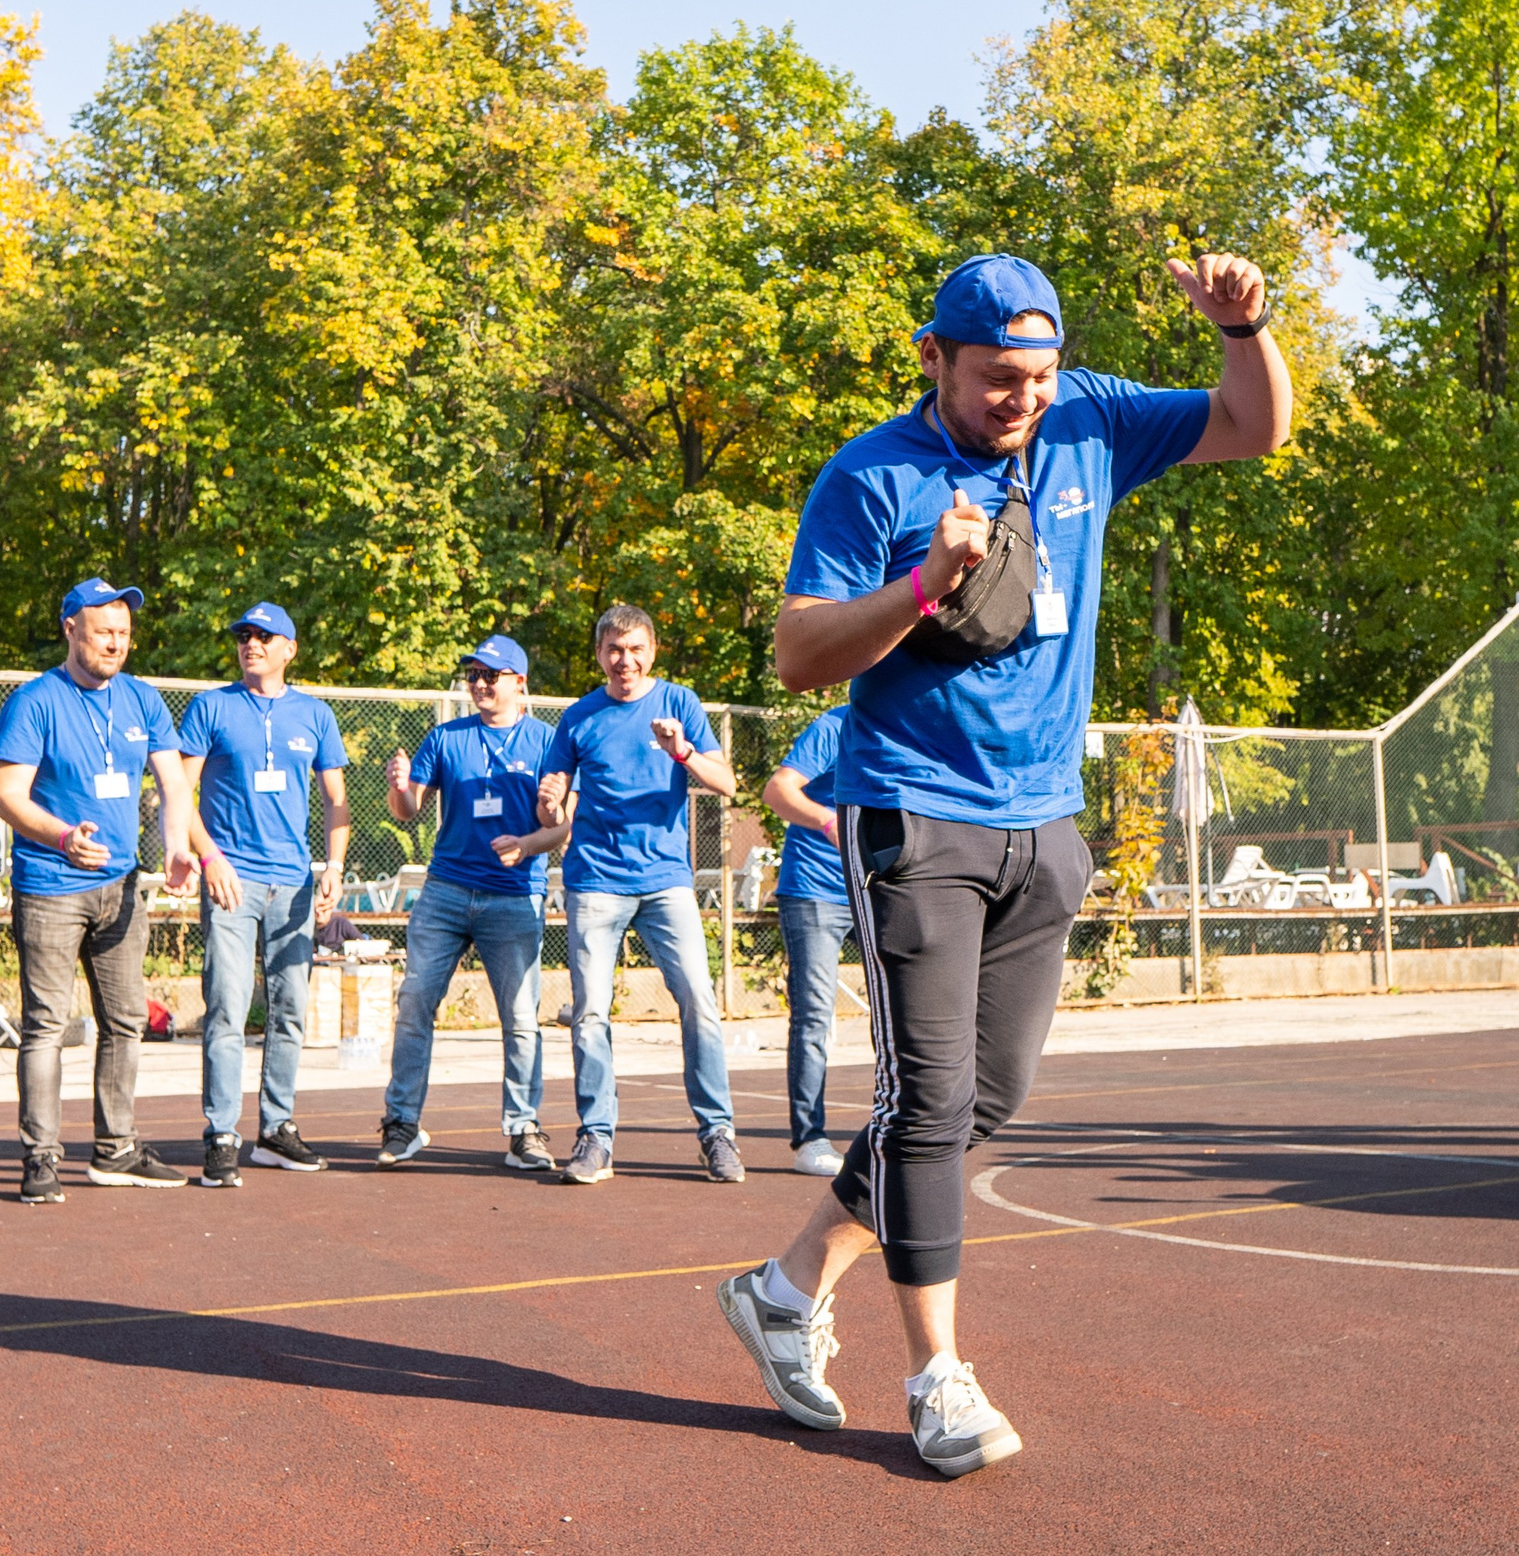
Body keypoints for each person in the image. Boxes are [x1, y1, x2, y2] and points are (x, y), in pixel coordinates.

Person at [716, 249, 1292, 1478]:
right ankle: (937, 1381)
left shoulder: (1088, 420)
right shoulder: (870, 475)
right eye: (993, 378)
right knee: (926, 1106)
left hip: (1045, 824)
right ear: (934, 358)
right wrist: (925, 583)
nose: (1018, 398)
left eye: (1035, 375)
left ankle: (782, 1287)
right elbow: (799, 656)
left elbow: (1254, 428)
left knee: (987, 1100)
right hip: (913, 819)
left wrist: (1246, 327)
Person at [0, 577, 199, 1203]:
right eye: (104, 630)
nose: (116, 642)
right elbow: (7, 795)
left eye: (124, 633)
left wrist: (179, 847)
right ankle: (41, 1157)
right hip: (52, 884)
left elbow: (172, 784)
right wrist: (60, 837)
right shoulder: (34, 701)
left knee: (126, 1021)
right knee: (47, 1025)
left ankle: (116, 1150)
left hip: (123, 886)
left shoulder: (142, 700)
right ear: (70, 630)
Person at [535, 604, 741, 1186]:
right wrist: (550, 804)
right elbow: (551, 809)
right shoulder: (578, 718)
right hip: (595, 881)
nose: (625, 661)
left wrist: (683, 752)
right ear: (599, 655)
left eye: (635, 649)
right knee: (590, 1014)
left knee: (699, 1002)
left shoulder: (680, 704)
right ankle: (596, 1139)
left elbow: (726, 784)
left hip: (667, 881)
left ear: (653, 651)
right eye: (613, 651)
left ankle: (717, 1134)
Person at [377, 634, 568, 1172]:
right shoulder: (445, 737)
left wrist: (540, 827)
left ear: (519, 682)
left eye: (493, 674)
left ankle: (524, 1129)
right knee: (415, 1003)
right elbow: (408, 810)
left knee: (520, 1019)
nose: (481, 684)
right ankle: (402, 1124)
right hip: (445, 891)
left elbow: (562, 828)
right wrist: (398, 787)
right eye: (474, 675)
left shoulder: (550, 742)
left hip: (514, 897)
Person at [177, 602, 351, 1188]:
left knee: (290, 1012)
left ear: (289, 649)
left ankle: (276, 1129)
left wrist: (333, 867)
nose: (251, 644)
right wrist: (209, 856)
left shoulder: (315, 714)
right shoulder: (212, 707)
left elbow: (336, 801)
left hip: (295, 883)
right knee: (226, 1007)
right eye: (244, 636)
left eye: (264, 636)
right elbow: (180, 792)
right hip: (232, 881)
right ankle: (222, 1133)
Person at [759, 703, 853, 1178]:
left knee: (908, 1011)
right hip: (817, 890)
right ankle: (809, 1139)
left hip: (884, 888)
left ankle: (901, 1130)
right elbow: (777, 790)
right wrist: (828, 821)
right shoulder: (835, 724)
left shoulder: (914, 726)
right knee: (815, 1014)